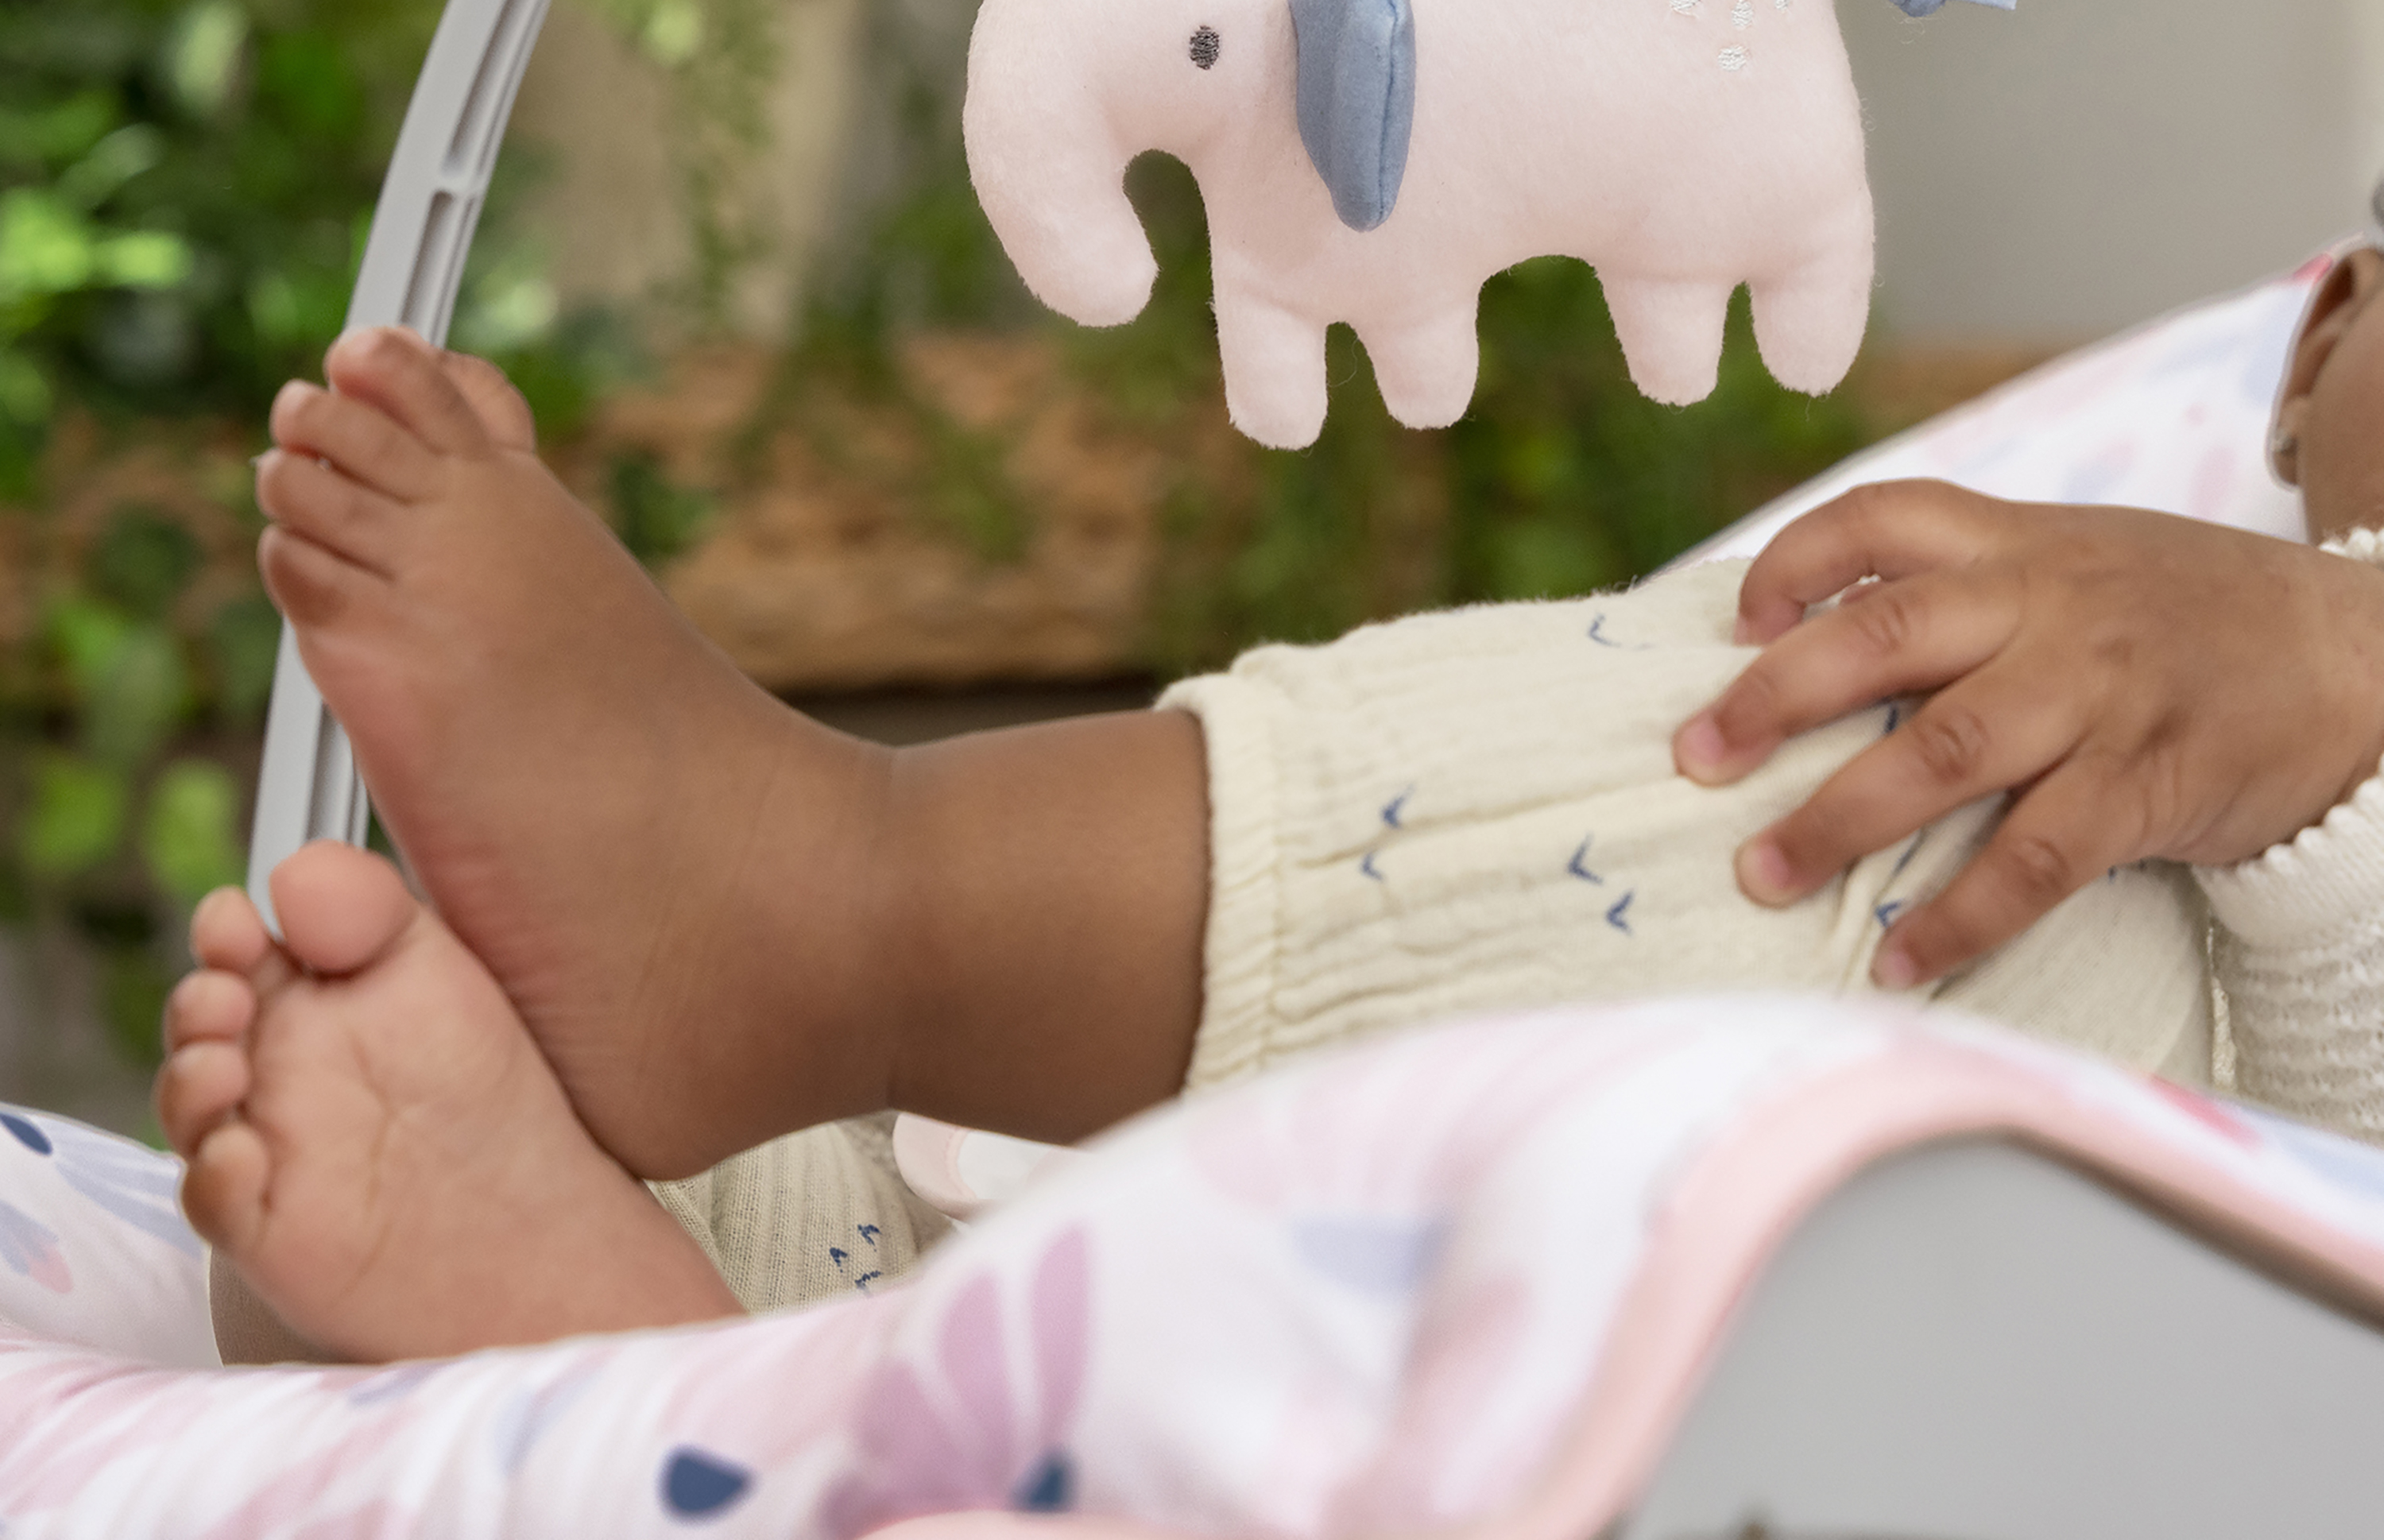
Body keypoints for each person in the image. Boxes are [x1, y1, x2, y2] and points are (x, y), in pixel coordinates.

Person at [156, 236, 2384, 1362]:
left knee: (1936, 797)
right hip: (1334, 1237)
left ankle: (823, 912)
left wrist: (2337, 679)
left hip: (2061, 1352)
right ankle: (649, 1302)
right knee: (1882, 686)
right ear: (2319, 350)